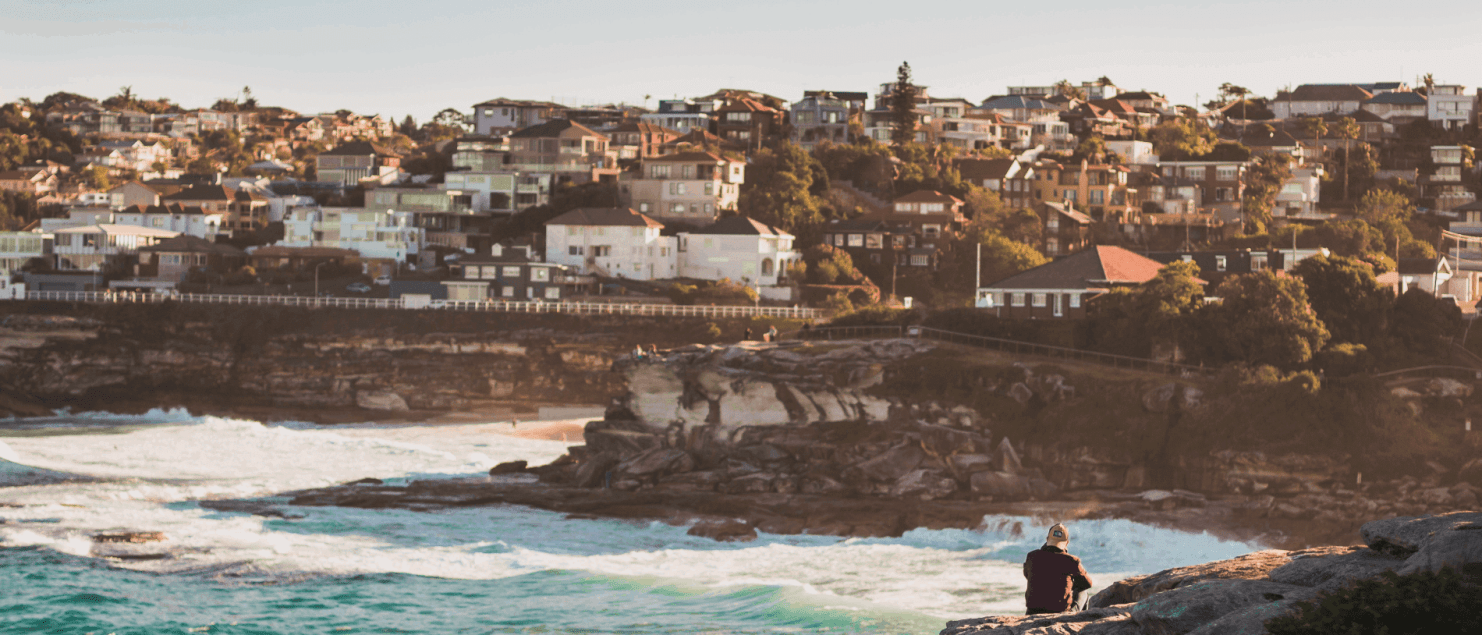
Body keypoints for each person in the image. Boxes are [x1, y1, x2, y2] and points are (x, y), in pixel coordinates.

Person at [1023, 523, 1093, 615]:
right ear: (1067, 543)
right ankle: (1079, 621)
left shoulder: (1032, 556)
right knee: (1083, 591)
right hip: (1060, 613)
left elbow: (1027, 574)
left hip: (1032, 612)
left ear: (1047, 539)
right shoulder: (1071, 561)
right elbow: (1087, 583)